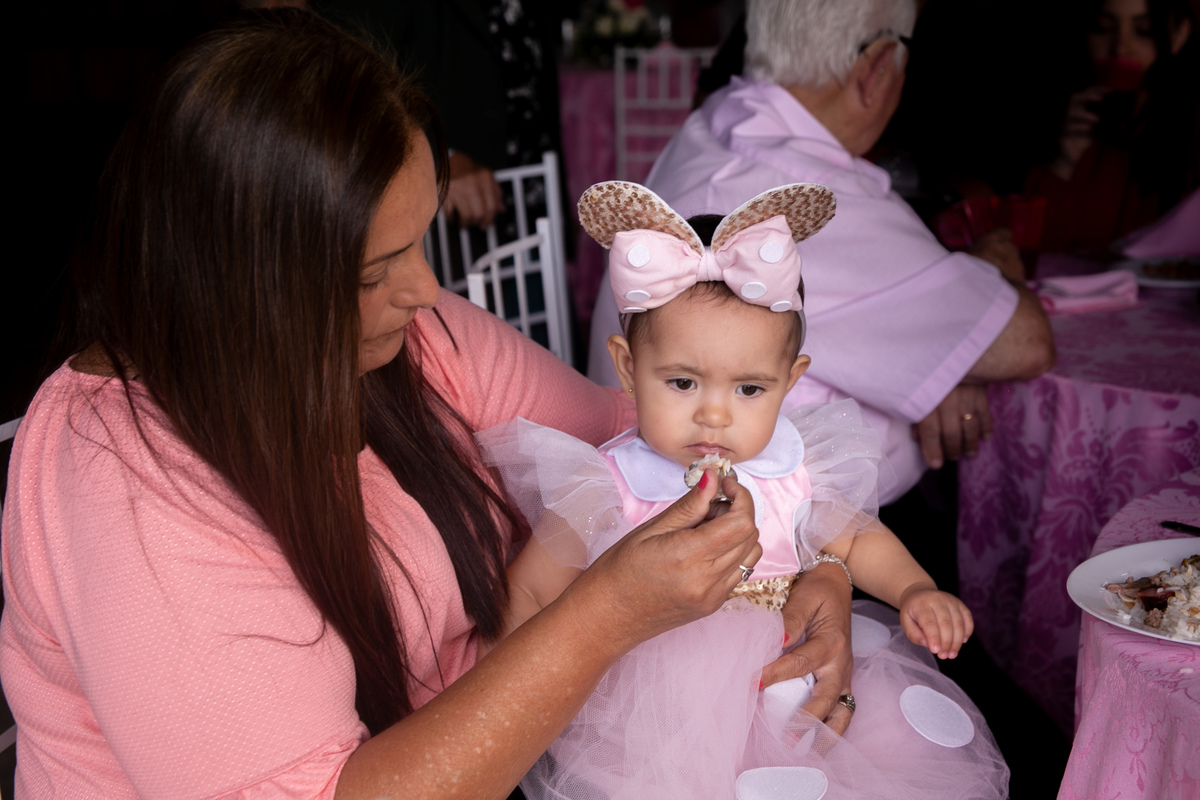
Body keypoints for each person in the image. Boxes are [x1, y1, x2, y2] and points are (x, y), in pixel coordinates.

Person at [0, 11, 859, 797]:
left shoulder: (407, 337)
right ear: (244, 288)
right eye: (375, 271)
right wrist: (601, 616)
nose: (427, 291)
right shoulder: (126, 484)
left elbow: (635, 438)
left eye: (420, 242)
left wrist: (815, 563)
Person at [482, 182, 1008, 800]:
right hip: (662, 718)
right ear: (627, 368)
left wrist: (916, 587)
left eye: (749, 390)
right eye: (682, 382)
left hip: (793, 690)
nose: (714, 415)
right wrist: (510, 710)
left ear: (791, 381)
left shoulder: (794, 464)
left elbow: (855, 536)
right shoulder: (609, 484)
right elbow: (530, 590)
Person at [588, 0, 1055, 506]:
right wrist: (989, 276)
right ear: (878, 68)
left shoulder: (715, 121)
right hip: (771, 522)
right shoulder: (807, 190)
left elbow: (978, 341)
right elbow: (1024, 342)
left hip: (660, 463)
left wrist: (947, 364)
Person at [1028, 0, 1198, 252]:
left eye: (1144, 30)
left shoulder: (1191, 131)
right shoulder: (1061, 117)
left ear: (1179, 33)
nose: (1120, 48)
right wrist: (1065, 162)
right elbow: (1031, 249)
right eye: (1103, 28)